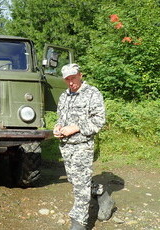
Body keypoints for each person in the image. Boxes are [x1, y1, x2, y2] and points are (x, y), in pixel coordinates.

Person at [53, 64, 115, 230]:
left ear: (80, 75)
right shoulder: (64, 96)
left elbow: (99, 120)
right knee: (76, 180)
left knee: (80, 186)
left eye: (73, 78)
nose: (70, 82)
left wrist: (75, 127)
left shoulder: (92, 93)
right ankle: (102, 194)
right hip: (66, 146)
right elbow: (60, 119)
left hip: (82, 145)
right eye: (67, 79)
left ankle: (79, 222)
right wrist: (57, 128)